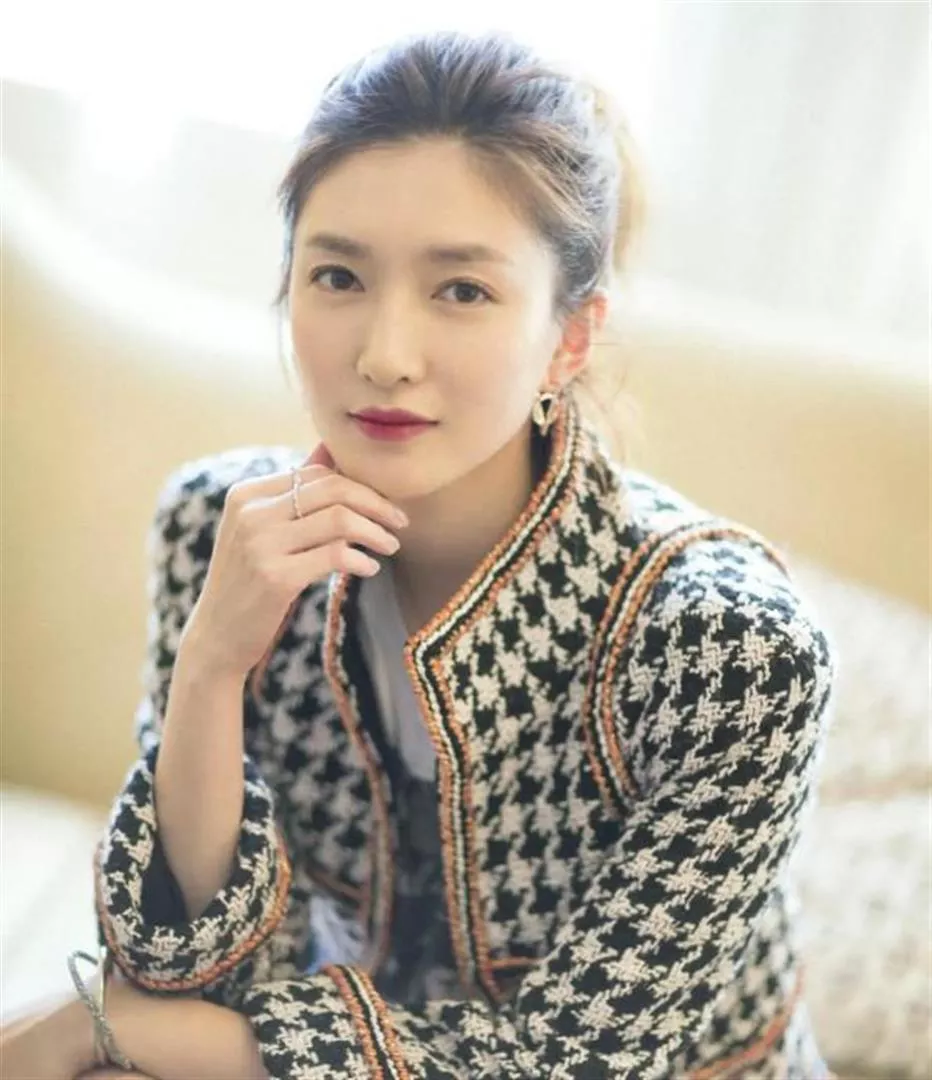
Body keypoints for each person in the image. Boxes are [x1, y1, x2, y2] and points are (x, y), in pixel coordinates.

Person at [0, 28, 839, 1080]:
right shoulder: (220, 527)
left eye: (461, 291)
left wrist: (94, 1023)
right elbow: (191, 970)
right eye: (337, 275)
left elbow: (566, 1067)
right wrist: (211, 666)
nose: (385, 355)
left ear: (570, 339)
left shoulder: (732, 653)